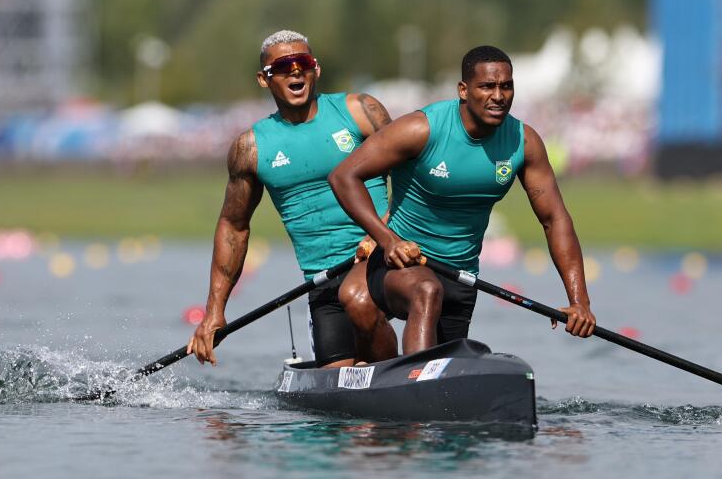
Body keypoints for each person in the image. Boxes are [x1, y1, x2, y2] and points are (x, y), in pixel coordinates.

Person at [328, 45, 596, 356]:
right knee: (425, 291)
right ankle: (408, 382)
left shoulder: (524, 142)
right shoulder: (421, 128)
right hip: (401, 263)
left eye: (506, 86)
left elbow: (555, 219)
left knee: (446, 361)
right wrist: (387, 240)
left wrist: (579, 301)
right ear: (464, 90)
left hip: (461, 277)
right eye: (487, 86)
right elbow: (344, 176)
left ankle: (407, 379)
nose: (498, 95)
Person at [188, 29, 396, 368]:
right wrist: (214, 312)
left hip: (385, 260)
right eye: (283, 67)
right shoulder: (251, 148)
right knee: (341, 383)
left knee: (372, 334)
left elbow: (410, 175)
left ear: (316, 70)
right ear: (263, 79)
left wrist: (382, 232)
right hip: (324, 280)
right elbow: (233, 227)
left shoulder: (361, 110)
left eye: (303, 63)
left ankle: (403, 374)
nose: (295, 71)